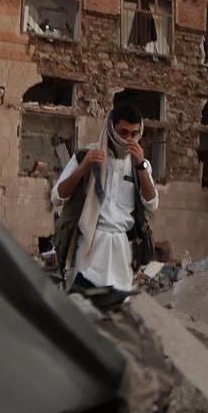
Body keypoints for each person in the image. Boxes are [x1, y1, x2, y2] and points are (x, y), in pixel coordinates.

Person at [50, 104, 158, 294]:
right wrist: (83, 168)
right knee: (83, 304)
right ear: (111, 129)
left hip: (122, 250)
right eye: (123, 133)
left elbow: (152, 204)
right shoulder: (86, 155)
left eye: (134, 134)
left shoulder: (139, 165)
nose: (129, 139)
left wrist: (140, 166)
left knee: (116, 308)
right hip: (88, 248)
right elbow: (57, 197)